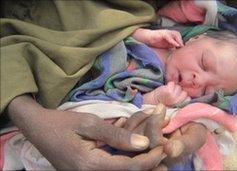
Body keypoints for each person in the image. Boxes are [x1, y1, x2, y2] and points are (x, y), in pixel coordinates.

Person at [1, 0, 207, 170]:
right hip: (46, 61)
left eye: (207, 88)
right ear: (197, 38)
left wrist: (193, 120)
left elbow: (228, 69)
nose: (198, 80)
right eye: (204, 63)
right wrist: (30, 117)